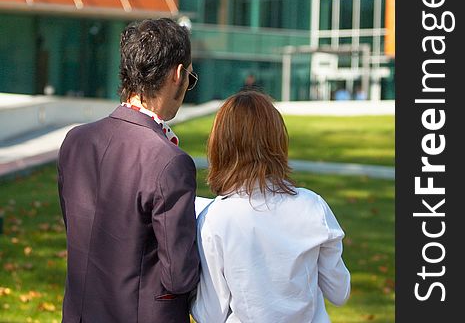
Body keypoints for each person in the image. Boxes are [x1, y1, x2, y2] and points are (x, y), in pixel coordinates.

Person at [57, 18, 200, 323]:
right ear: (178, 74)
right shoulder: (169, 161)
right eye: (190, 76)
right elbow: (179, 276)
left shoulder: (75, 141)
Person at [190, 91, 350, 323]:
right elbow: (339, 292)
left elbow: (210, 314)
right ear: (277, 140)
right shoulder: (312, 206)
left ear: (220, 146)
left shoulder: (214, 218)